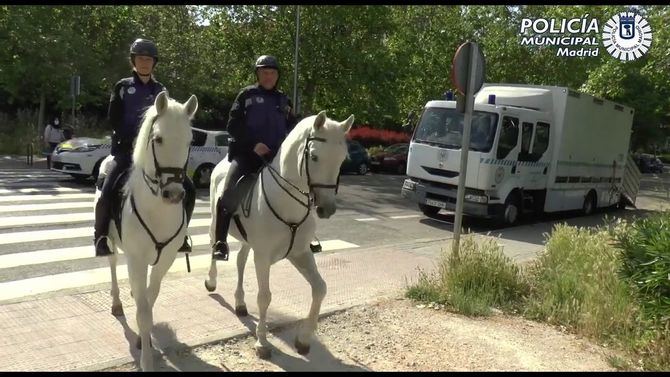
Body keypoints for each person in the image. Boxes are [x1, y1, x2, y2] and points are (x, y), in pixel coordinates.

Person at [93, 38, 196, 257]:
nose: (144, 63)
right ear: (133, 60)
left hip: (153, 154)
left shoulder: (161, 90)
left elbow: (167, 121)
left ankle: (181, 234)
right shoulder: (122, 87)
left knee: (190, 188)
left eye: (148, 60)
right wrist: (129, 139)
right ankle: (101, 236)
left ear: (154, 63)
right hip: (125, 151)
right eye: (140, 59)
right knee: (108, 188)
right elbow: (114, 118)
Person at [211, 55, 297, 260]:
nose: (268, 76)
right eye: (264, 73)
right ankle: (220, 243)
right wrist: (253, 145)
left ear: (278, 76)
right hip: (247, 156)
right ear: (257, 74)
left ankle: (305, 236)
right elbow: (232, 125)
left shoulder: (284, 100)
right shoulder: (246, 95)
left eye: (272, 73)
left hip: (276, 159)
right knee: (228, 195)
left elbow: (292, 127)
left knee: (301, 189)